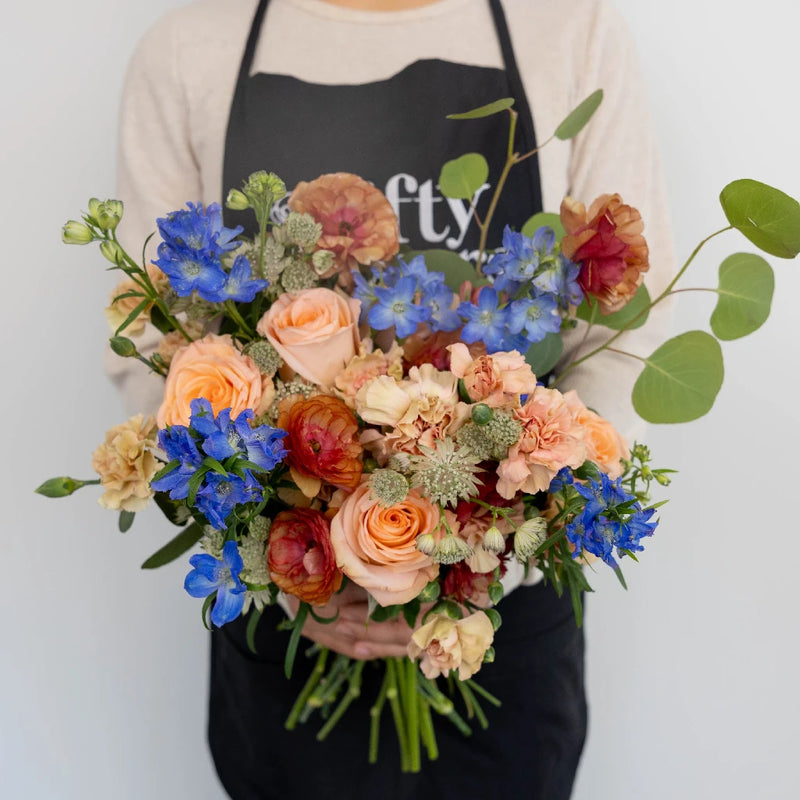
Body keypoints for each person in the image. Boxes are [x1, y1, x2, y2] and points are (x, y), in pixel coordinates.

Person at [111, 1, 674, 797]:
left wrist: (481, 565)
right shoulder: (188, 48)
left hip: (499, 622)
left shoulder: (571, 29)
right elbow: (150, 335)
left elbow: (626, 336)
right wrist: (293, 571)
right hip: (291, 628)